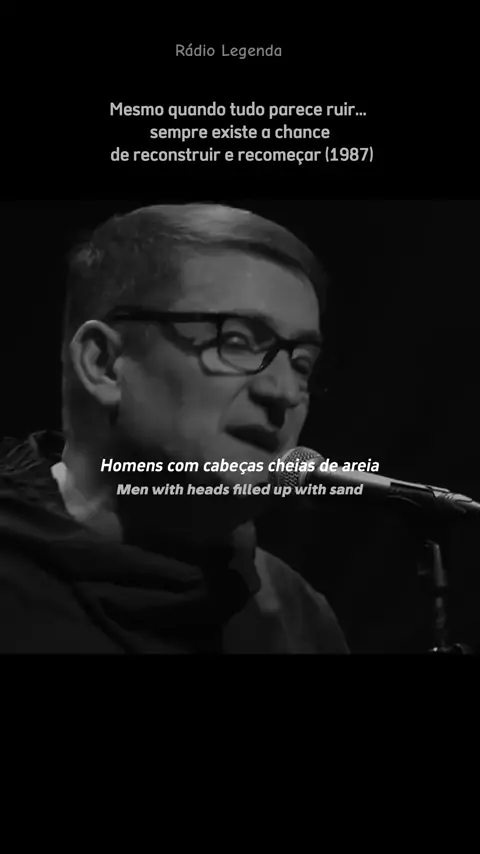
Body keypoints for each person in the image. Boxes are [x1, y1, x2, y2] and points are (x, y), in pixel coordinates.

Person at [0, 203, 349, 654]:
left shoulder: (299, 618)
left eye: (302, 364)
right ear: (103, 363)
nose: (283, 391)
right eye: (237, 341)